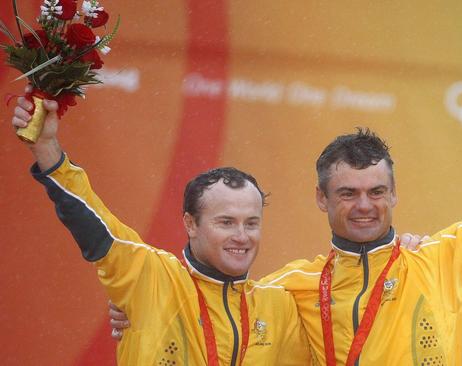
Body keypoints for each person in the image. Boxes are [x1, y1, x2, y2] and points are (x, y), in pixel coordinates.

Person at [111, 51, 462, 365]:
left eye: (376, 192)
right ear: (322, 199)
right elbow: (212, 303)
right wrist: (139, 313)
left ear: (394, 195)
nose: (365, 206)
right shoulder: (288, 288)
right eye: (348, 193)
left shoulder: (439, 260)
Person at [11, 88, 313, 365]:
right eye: (226, 222)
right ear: (190, 224)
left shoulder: (282, 307)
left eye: (252, 223)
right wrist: (47, 148)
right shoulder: (151, 277)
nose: (241, 236)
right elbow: (93, 221)